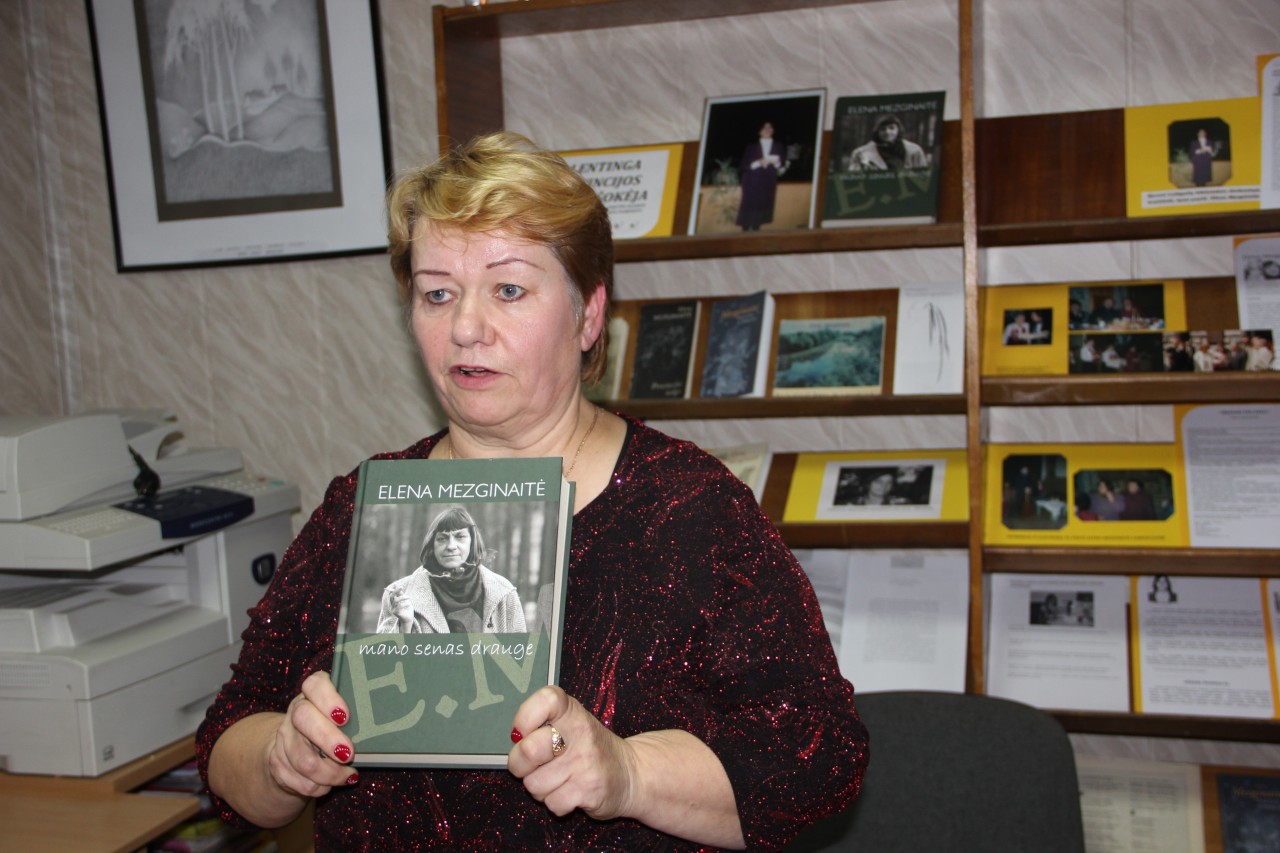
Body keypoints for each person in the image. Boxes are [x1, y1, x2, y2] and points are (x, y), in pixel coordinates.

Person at [197, 131, 867, 851]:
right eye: (437, 293)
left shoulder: (689, 508)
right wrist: (281, 760)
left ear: (588, 314)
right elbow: (227, 739)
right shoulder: (362, 508)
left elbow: (819, 758)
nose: (465, 328)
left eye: (509, 289)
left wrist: (629, 773)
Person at [376, 505, 525, 634]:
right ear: (432, 544)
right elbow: (383, 656)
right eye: (442, 538)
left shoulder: (504, 593)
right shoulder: (399, 595)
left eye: (460, 537)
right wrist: (405, 625)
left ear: (472, 542)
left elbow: (520, 654)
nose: (451, 546)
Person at [737, 120, 784, 231]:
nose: (767, 129)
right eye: (764, 127)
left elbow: (780, 165)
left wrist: (776, 163)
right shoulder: (751, 147)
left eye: (770, 127)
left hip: (768, 180)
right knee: (749, 205)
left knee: (763, 205)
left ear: (773, 130)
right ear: (759, 131)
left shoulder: (778, 146)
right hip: (751, 180)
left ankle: (756, 229)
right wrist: (759, 162)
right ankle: (745, 229)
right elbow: (743, 166)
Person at [848, 113, 929, 171]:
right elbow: (854, 179)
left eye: (891, 128)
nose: (887, 132)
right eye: (883, 129)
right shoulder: (860, 153)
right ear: (877, 132)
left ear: (898, 129)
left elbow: (924, 178)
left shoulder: (915, 151)